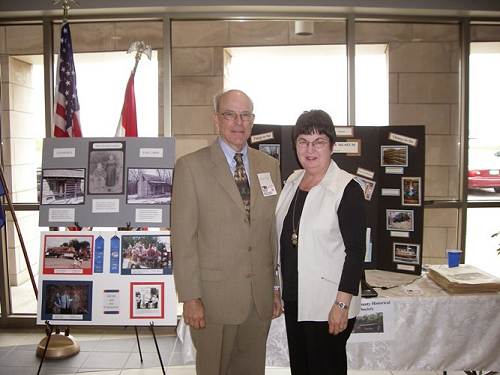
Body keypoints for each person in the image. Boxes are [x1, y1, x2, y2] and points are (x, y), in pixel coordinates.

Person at [172, 89, 282, 375]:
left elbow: (272, 233)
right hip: (212, 300)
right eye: (230, 114)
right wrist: (190, 297)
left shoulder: (269, 166)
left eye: (245, 115)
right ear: (216, 120)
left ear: (253, 120)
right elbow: (183, 239)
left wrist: (274, 287)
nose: (238, 122)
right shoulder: (190, 167)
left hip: (258, 300)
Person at [275, 110, 366, 375]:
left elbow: (356, 252)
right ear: (295, 145)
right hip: (295, 300)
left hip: (328, 304)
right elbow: (282, 242)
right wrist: (276, 287)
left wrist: (341, 305)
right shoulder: (292, 182)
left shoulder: (347, 188)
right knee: (301, 369)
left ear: (332, 146)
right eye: (303, 141)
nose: (310, 149)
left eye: (319, 142)